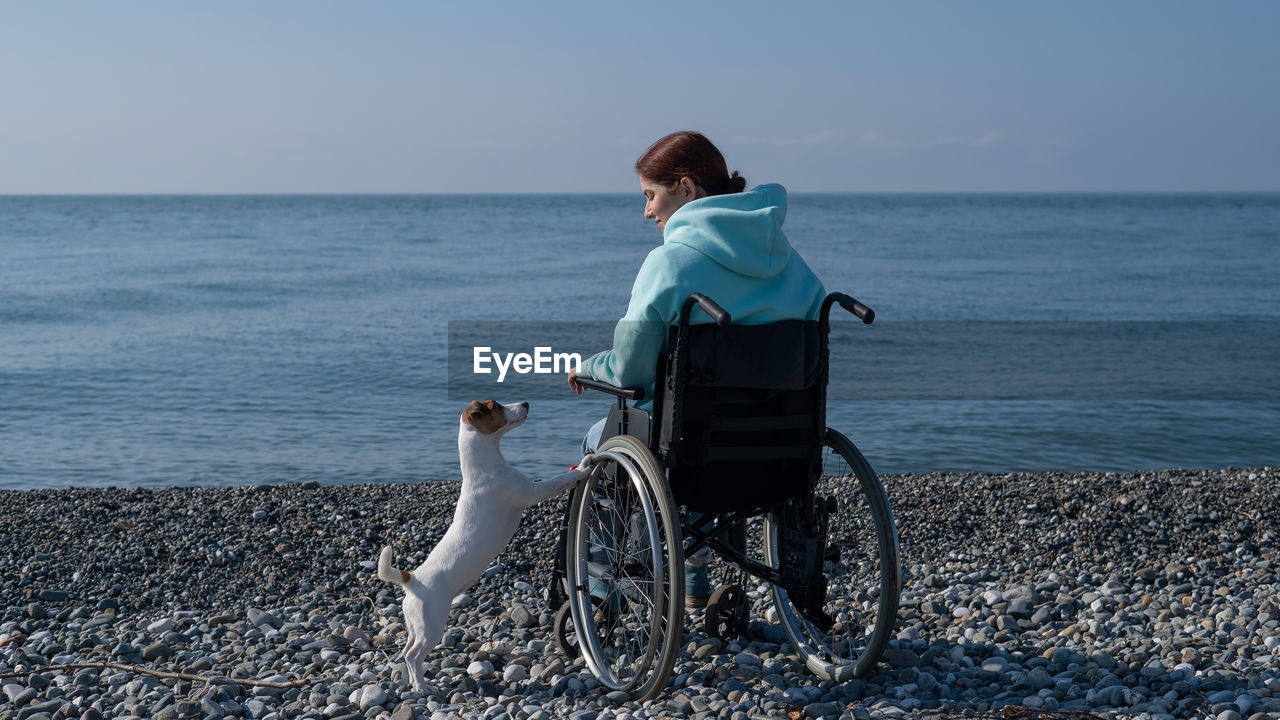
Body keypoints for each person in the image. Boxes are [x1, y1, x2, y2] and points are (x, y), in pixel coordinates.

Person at [568, 130, 826, 606]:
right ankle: (694, 581)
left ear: (685, 188)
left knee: (612, 441)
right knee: (701, 425)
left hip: (690, 450)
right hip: (781, 450)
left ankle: (600, 587)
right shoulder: (792, 265)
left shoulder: (670, 264)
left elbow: (629, 372)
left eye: (651, 195)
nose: (647, 211)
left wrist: (588, 367)